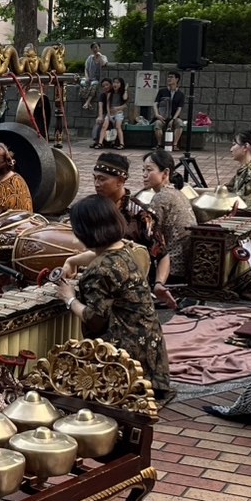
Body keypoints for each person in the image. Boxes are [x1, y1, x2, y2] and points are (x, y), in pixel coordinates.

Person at [56, 194, 171, 401]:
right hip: (152, 357)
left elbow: (95, 319)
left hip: (127, 364)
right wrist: (73, 261)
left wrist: (69, 298)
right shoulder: (127, 249)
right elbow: (101, 255)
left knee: (63, 379)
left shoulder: (98, 272)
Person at [73, 152, 176, 309]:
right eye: (95, 178)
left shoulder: (142, 215)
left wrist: (159, 283)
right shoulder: (92, 209)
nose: (96, 184)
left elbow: (162, 255)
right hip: (96, 278)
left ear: (120, 181)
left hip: (130, 290)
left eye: (102, 179)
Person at [141, 149, 194, 281]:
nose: (144, 175)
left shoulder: (161, 197)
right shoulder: (177, 192)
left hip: (172, 267)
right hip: (186, 263)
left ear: (165, 173)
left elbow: (150, 234)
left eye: (149, 170)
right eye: (143, 170)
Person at [153, 71, 186, 150]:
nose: (169, 79)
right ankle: (159, 144)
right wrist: (157, 114)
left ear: (177, 79)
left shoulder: (180, 94)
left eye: (171, 77)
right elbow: (155, 104)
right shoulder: (162, 91)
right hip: (162, 116)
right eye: (168, 77)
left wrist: (173, 119)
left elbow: (179, 108)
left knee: (180, 123)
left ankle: (174, 144)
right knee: (157, 124)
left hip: (174, 117)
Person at [81, 43, 107, 110]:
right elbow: (86, 69)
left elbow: (103, 64)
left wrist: (100, 56)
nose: (95, 49)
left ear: (99, 48)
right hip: (89, 78)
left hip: (97, 79)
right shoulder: (90, 58)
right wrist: (87, 77)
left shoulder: (103, 57)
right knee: (82, 83)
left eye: (96, 47)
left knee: (94, 84)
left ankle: (88, 102)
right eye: (93, 48)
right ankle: (88, 103)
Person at [105, 77, 129, 149]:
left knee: (118, 127)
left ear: (121, 84)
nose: (115, 84)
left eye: (117, 83)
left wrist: (125, 90)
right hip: (110, 114)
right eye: (114, 82)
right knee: (105, 126)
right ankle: (107, 142)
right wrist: (108, 114)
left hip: (119, 113)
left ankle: (122, 144)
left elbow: (125, 99)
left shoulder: (122, 93)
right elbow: (107, 105)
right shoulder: (110, 93)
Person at [89, 79, 113, 148]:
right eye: (103, 86)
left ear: (111, 85)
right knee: (98, 123)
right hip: (105, 113)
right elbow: (100, 106)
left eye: (107, 85)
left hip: (113, 113)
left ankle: (109, 141)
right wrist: (100, 116)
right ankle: (96, 141)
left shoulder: (114, 94)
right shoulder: (102, 95)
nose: (105, 87)